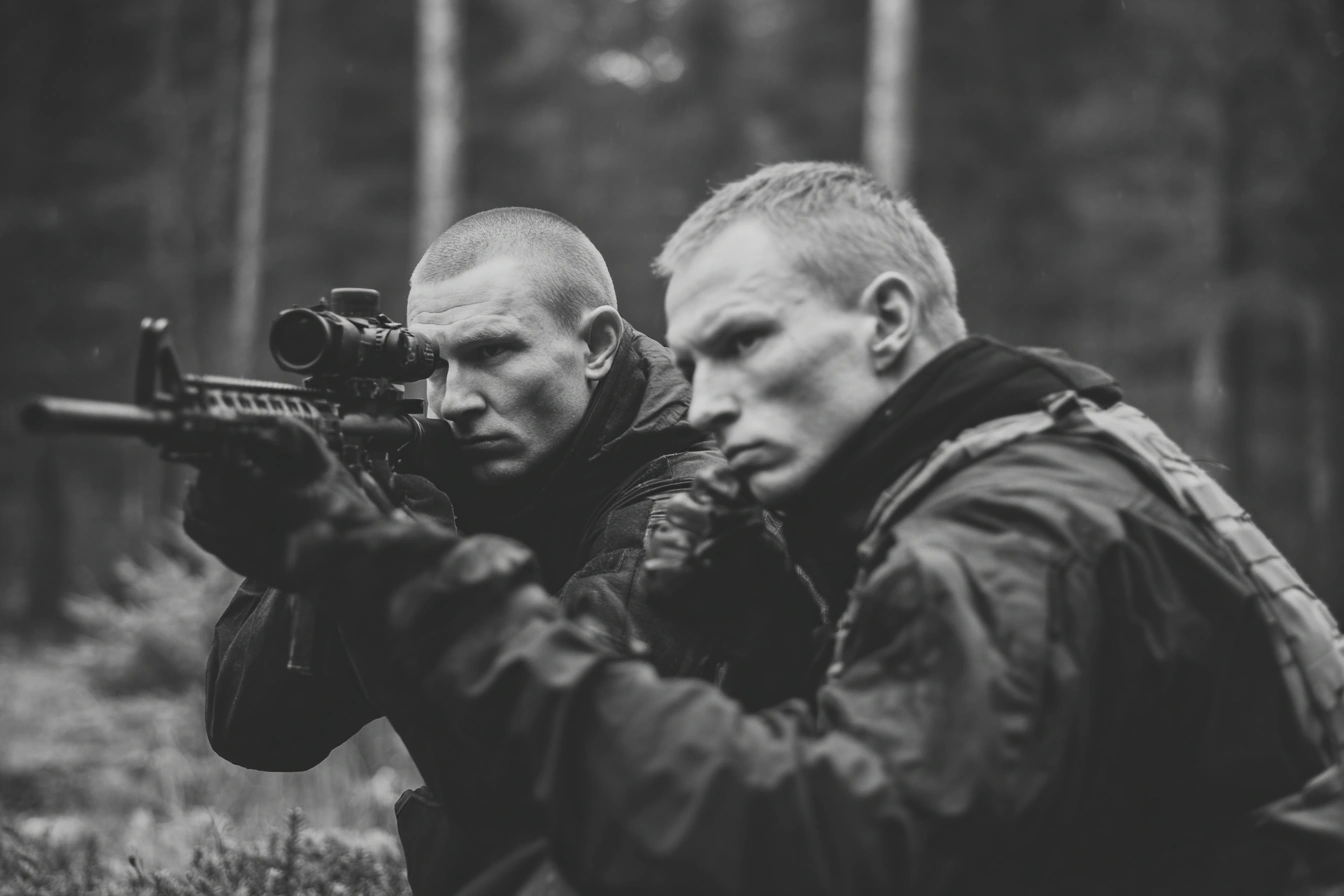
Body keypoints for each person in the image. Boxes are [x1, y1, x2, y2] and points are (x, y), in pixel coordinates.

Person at [220, 165, 1344, 895]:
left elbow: (830, 845)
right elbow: (940, 783)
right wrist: (777, 638)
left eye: (746, 343)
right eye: (697, 360)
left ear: (891, 320)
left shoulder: (1008, 528)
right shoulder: (1013, 458)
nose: (707, 401)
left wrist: (381, 560)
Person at [185, 207, 818, 894]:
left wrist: (381, 555)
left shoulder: (696, 490)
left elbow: (559, 766)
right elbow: (255, 728)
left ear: (597, 344)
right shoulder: (474, 462)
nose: (456, 401)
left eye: (492, 353)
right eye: (433, 366)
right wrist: (342, 515)